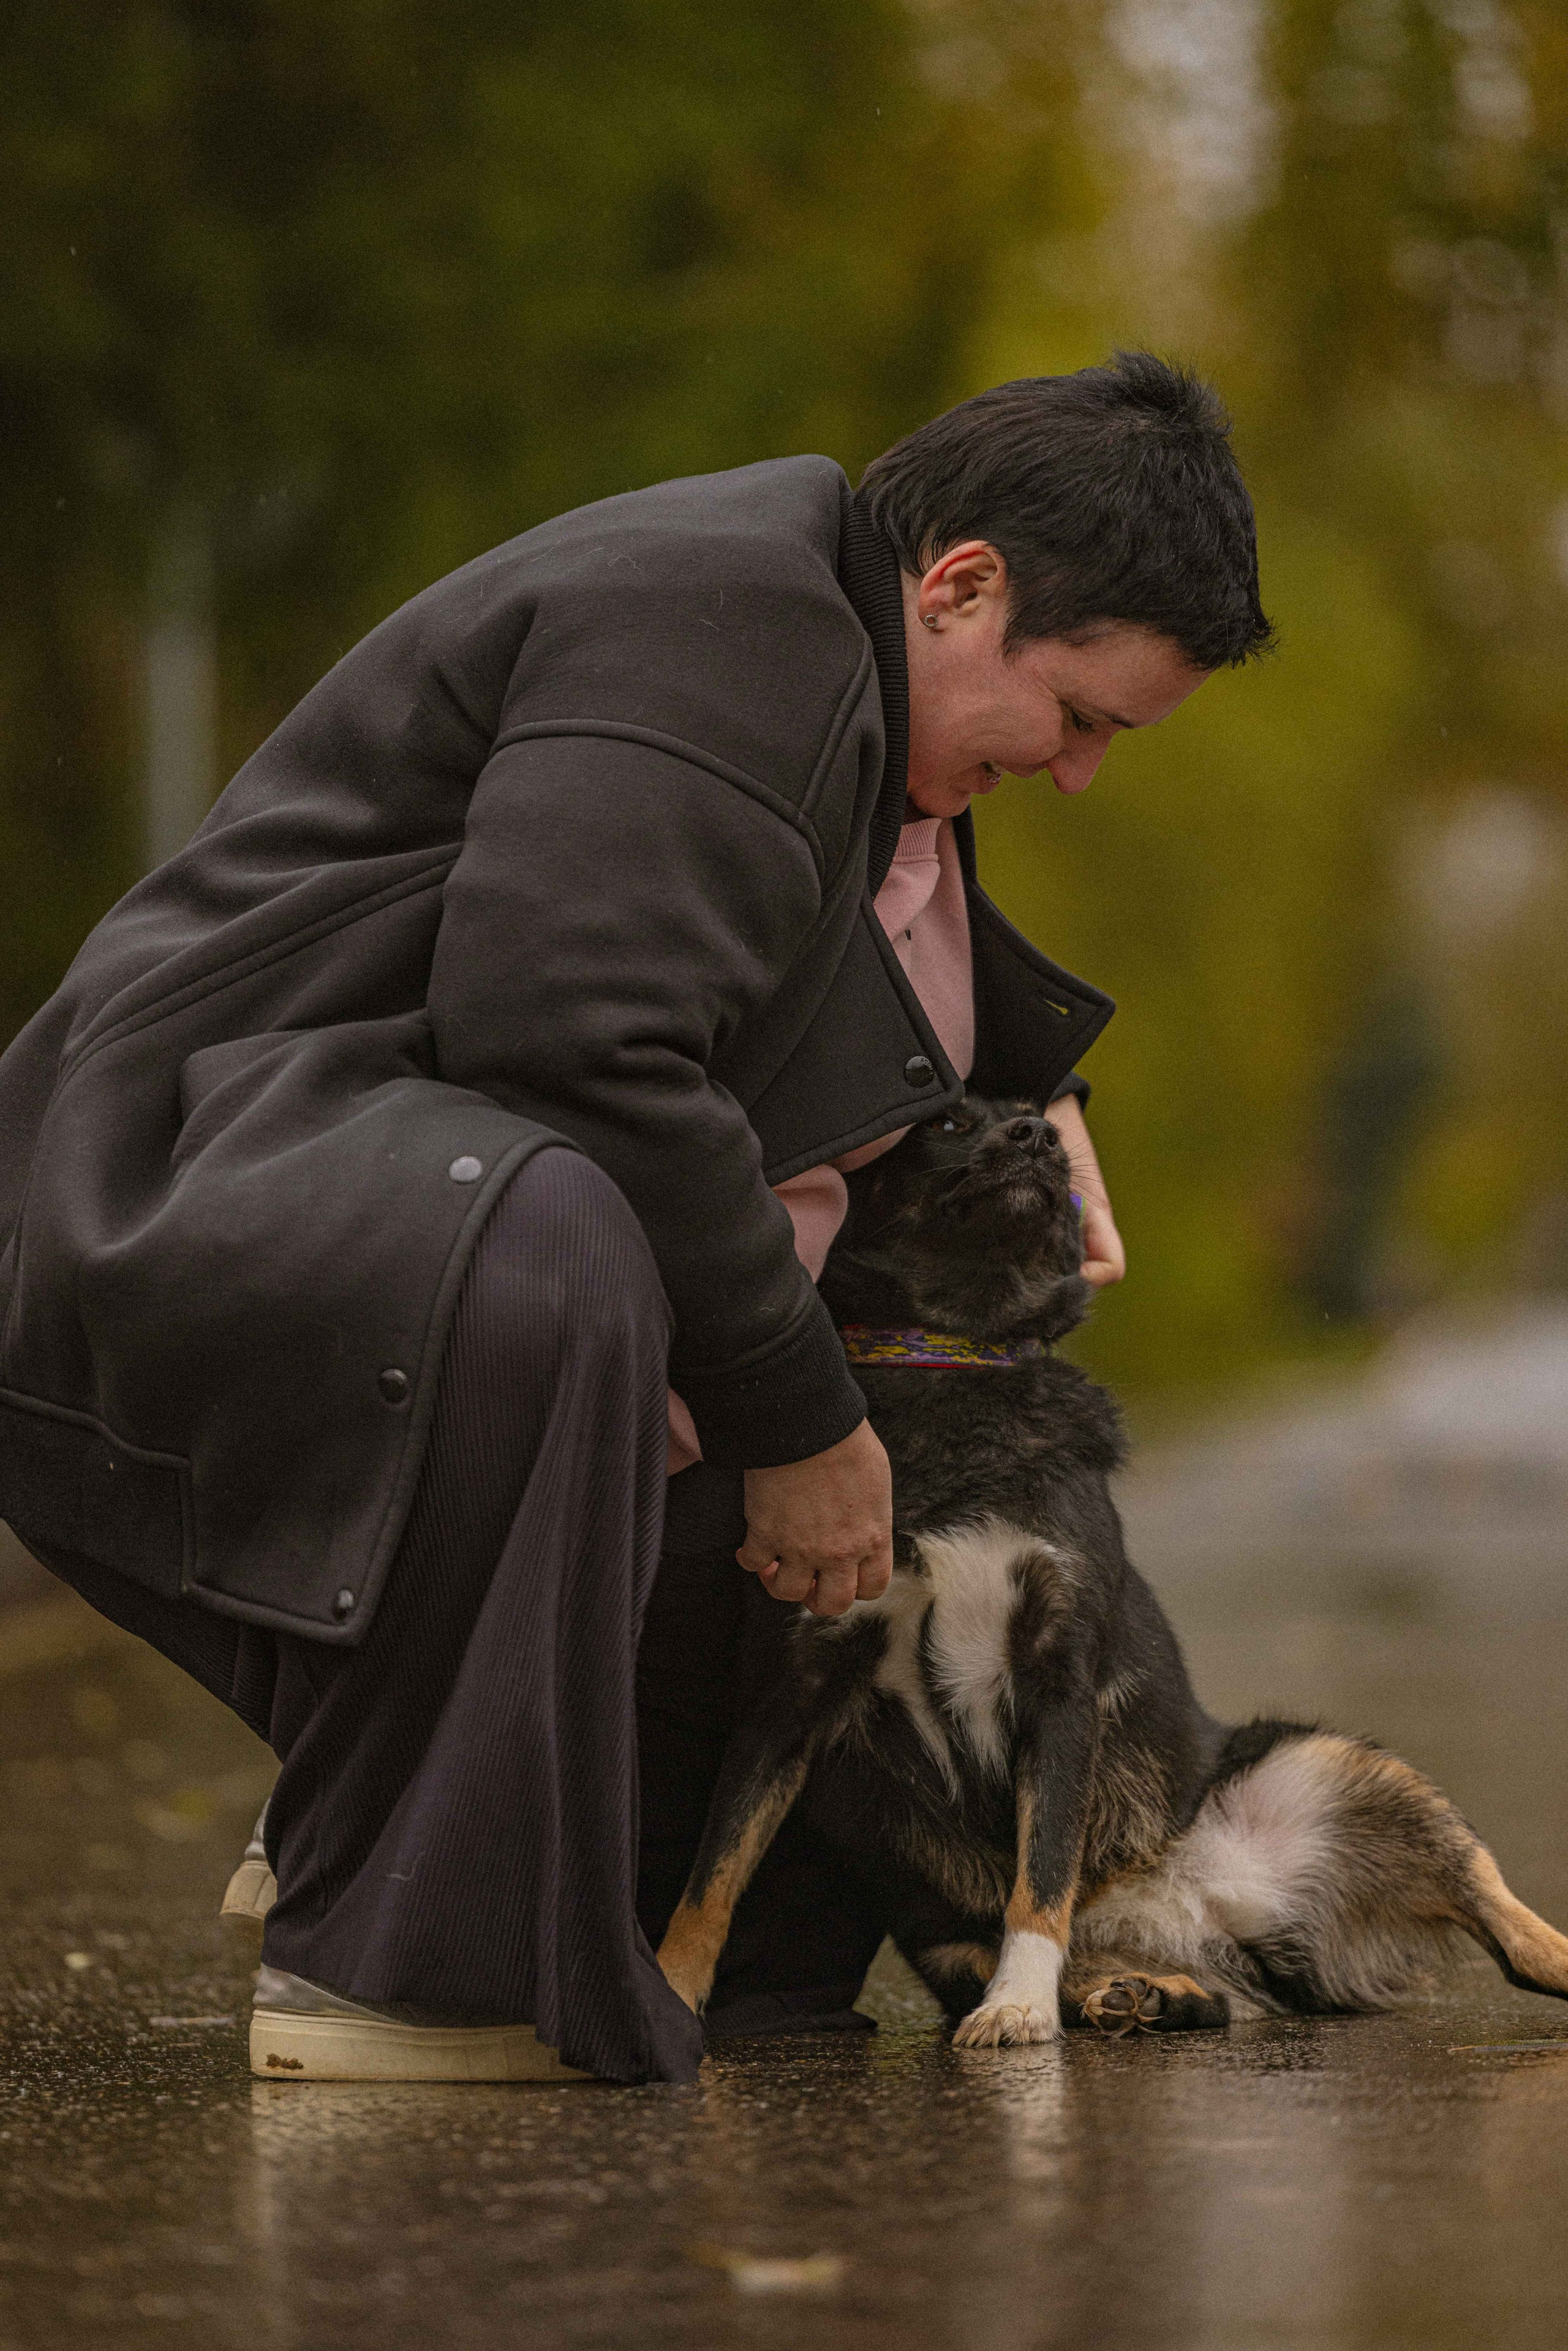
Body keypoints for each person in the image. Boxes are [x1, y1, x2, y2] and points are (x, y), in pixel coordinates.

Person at [0, 352, 1271, 2084]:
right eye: (1082, 718)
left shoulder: (859, 689)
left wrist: (1035, 1110)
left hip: (357, 1222)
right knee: (572, 1238)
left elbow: (841, 990)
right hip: (167, 1197)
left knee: (825, 1777)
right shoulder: (729, 625)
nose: (1077, 775)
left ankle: (487, 1859)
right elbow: (572, 1032)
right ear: (962, 586)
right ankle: (398, 1953)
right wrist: (800, 1414)